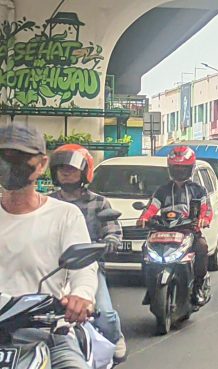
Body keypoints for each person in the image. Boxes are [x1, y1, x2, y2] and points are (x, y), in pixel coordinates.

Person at [0, 124, 96, 369]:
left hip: (45, 330)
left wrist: (81, 296)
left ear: (41, 164)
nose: (11, 165)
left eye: (21, 158)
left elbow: (84, 269)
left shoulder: (65, 215)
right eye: (4, 157)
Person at [48, 144, 128, 364]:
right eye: (61, 168)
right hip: (53, 269)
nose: (65, 172)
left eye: (71, 169)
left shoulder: (99, 202)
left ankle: (114, 340)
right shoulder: (48, 203)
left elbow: (113, 231)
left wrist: (109, 243)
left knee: (106, 316)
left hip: (88, 266)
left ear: (84, 173)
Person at [137, 146, 213, 307]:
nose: (179, 171)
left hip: (189, 232)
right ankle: (151, 287)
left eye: (183, 168)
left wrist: (203, 220)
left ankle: (198, 285)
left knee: (202, 247)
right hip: (163, 232)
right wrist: (144, 218)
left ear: (190, 169)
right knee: (145, 250)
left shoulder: (198, 191)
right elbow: (151, 208)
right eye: (176, 167)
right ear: (170, 168)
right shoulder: (162, 190)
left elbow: (207, 211)